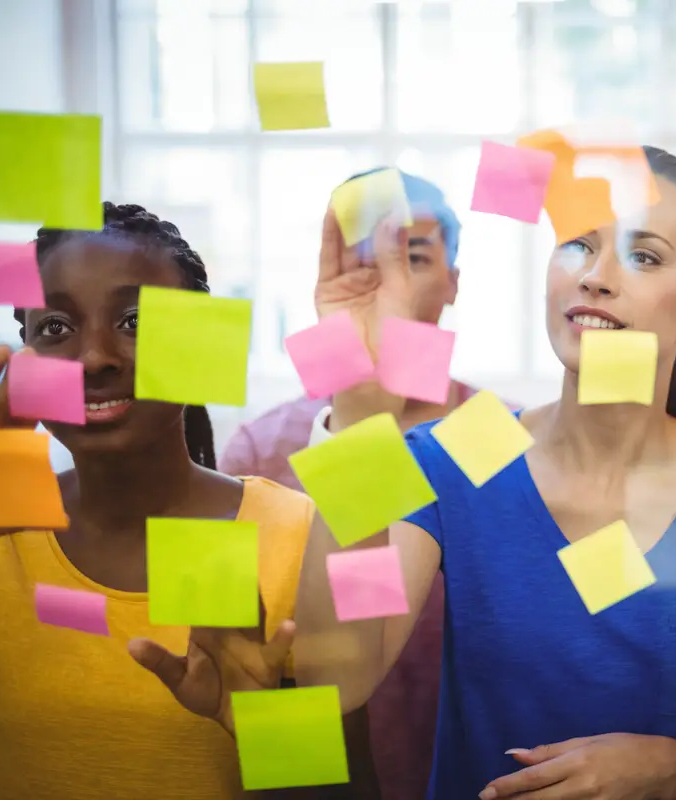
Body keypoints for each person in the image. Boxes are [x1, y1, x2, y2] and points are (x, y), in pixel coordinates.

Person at [287, 146, 676, 799]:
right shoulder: (469, 445)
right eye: (577, 245)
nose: (597, 277)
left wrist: (674, 770)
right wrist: (357, 403)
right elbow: (336, 678)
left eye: (644, 255)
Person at [0, 203, 366, 798]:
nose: (95, 357)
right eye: (56, 327)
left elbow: (349, 787)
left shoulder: (302, 538)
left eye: (135, 320)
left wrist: (265, 729)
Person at [220, 169, 480, 800]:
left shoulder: (495, 440)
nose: (385, 279)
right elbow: (230, 650)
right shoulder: (262, 447)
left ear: (452, 282)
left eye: (412, 255)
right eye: (363, 258)